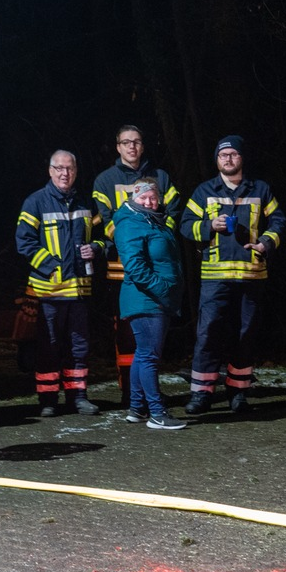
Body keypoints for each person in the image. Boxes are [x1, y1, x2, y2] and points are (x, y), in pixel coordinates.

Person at [179, 135, 285, 415]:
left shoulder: (260, 189)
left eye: (233, 154)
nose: (228, 159)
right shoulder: (204, 191)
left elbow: (279, 220)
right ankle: (201, 394)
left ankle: (238, 393)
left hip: (252, 275)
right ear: (217, 160)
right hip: (215, 277)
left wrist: (266, 242)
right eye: (223, 155)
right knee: (208, 333)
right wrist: (208, 225)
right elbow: (185, 225)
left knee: (245, 335)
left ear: (241, 158)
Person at [92, 126, 181, 404]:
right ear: (117, 147)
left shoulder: (161, 177)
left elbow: (173, 213)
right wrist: (132, 241)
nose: (132, 147)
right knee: (126, 337)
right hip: (121, 268)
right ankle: (129, 391)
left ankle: (141, 395)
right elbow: (105, 221)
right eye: (126, 142)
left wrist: (157, 238)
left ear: (143, 146)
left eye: (137, 142)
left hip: (156, 267)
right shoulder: (105, 180)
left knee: (150, 342)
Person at [16, 150, 104, 417]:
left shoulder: (86, 202)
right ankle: (48, 400)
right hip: (49, 292)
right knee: (49, 347)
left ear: (76, 171)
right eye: (59, 168)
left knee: (79, 347)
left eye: (70, 169)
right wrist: (52, 266)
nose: (65, 173)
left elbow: (103, 236)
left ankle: (78, 397)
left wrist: (97, 248)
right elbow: (24, 242)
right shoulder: (35, 202)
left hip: (79, 291)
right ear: (50, 171)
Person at [113, 179, 186, 430]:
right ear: (134, 198)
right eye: (143, 198)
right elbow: (135, 267)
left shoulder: (153, 220)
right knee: (149, 356)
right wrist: (164, 289)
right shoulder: (130, 223)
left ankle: (137, 408)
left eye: (153, 197)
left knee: (143, 354)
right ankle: (157, 413)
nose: (148, 201)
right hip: (146, 300)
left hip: (154, 300)